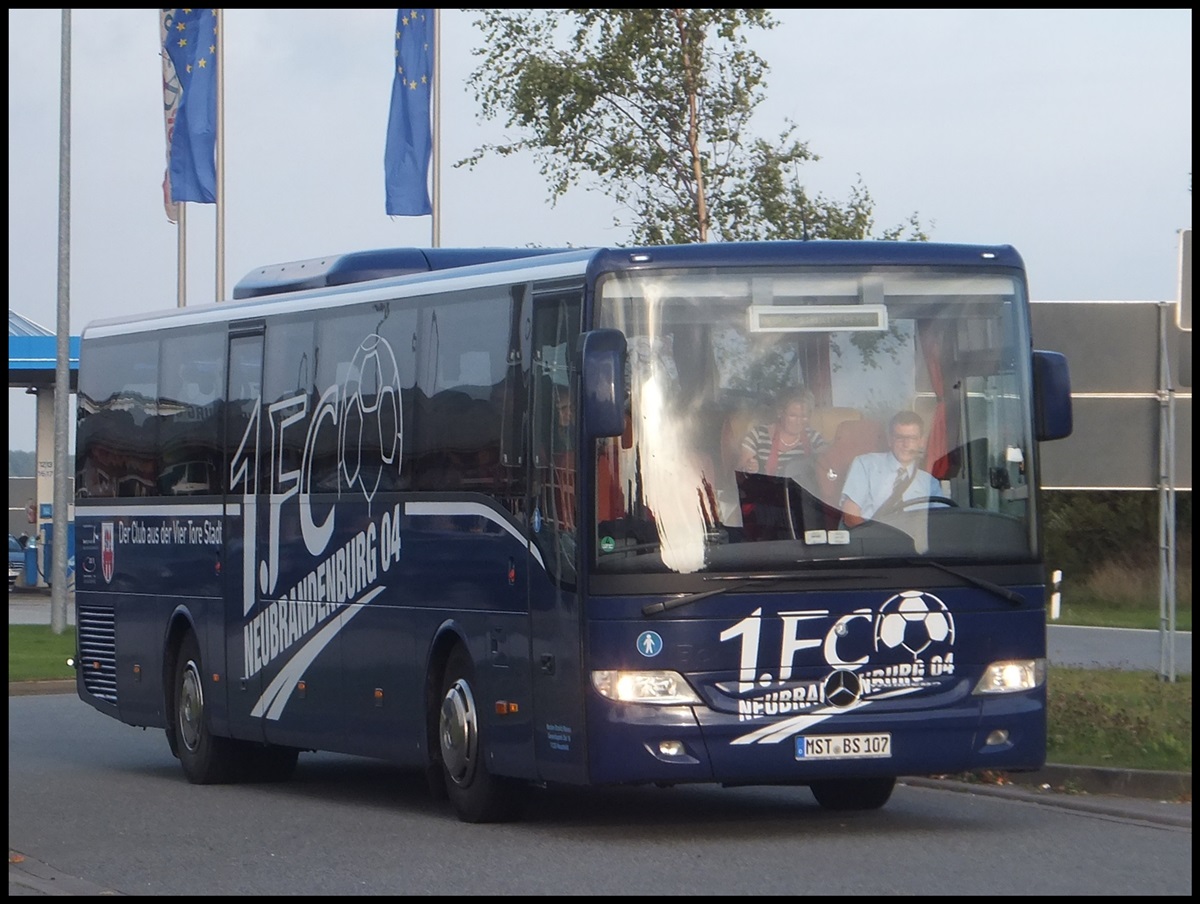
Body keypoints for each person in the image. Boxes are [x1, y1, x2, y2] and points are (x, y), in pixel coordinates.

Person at [840, 410, 943, 527]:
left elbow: (941, 525)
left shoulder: (929, 482)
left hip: (914, 543)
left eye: (912, 438)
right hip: (872, 541)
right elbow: (851, 516)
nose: (906, 444)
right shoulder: (865, 465)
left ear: (921, 442)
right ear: (890, 440)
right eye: (900, 438)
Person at [737, 389, 826, 481]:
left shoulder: (813, 437)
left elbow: (828, 464)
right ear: (780, 412)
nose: (799, 422)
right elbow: (739, 474)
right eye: (793, 416)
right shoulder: (757, 435)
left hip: (801, 494)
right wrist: (749, 469)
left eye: (804, 416)